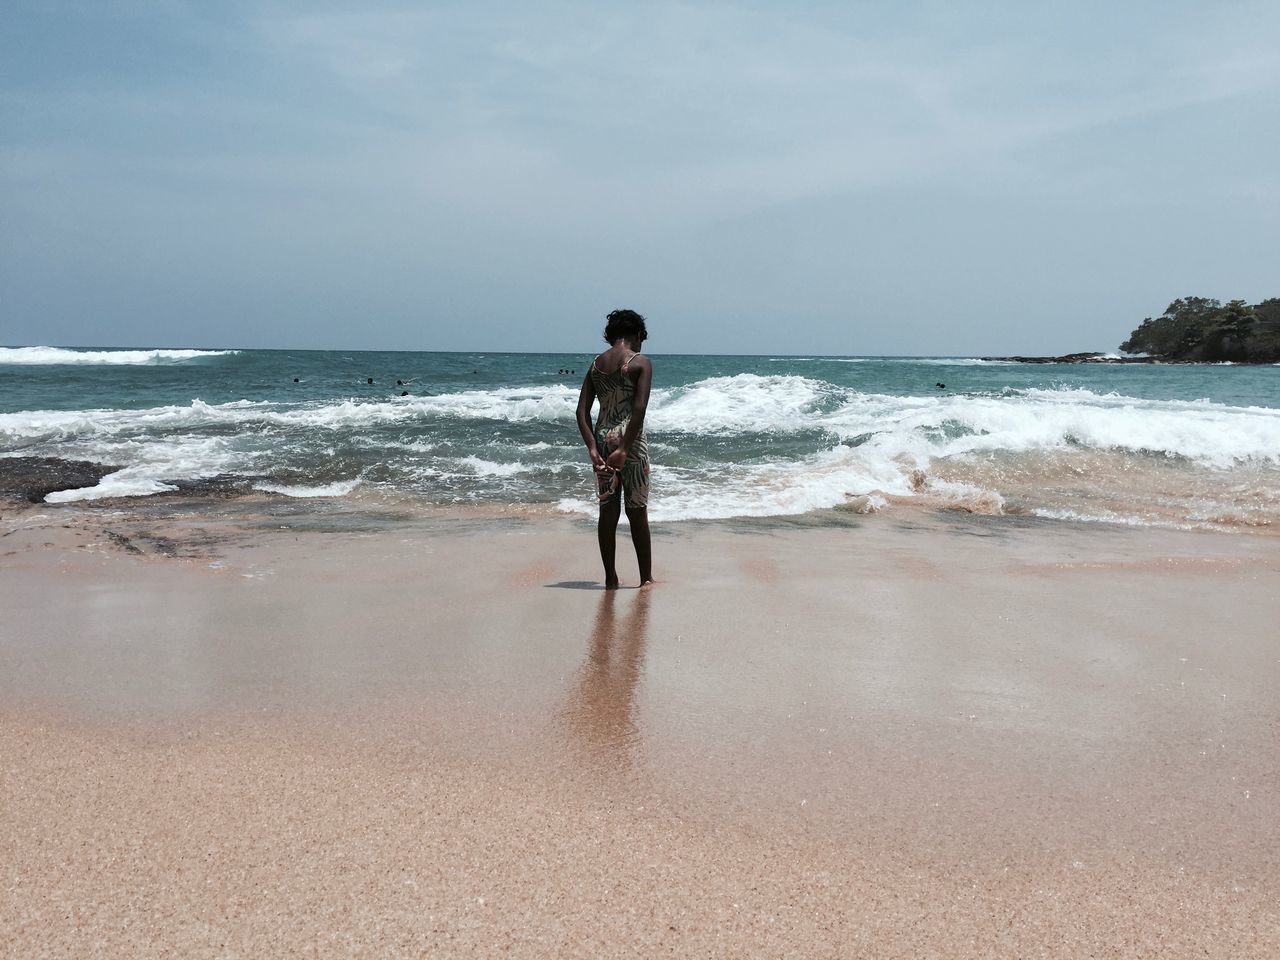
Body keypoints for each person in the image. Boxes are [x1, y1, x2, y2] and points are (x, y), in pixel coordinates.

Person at [576, 309, 654, 589]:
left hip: (602, 440)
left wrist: (592, 448)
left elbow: (581, 412)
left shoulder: (596, 365)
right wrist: (625, 448)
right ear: (637, 335)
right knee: (637, 510)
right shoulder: (640, 362)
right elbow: (639, 409)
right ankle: (645, 578)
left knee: (608, 511)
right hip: (630, 444)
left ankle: (610, 577)